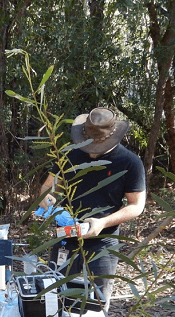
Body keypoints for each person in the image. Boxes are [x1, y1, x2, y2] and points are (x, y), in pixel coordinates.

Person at [36, 107, 146, 305]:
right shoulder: (69, 154)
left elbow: (136, 205)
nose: (92, 151)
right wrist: (47, 198)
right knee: (56, 299)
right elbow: (48, 186)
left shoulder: (130, 162)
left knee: (96, 302)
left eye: (99, 144)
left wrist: (102, 222)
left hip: (103, 242)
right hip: (66, 237)